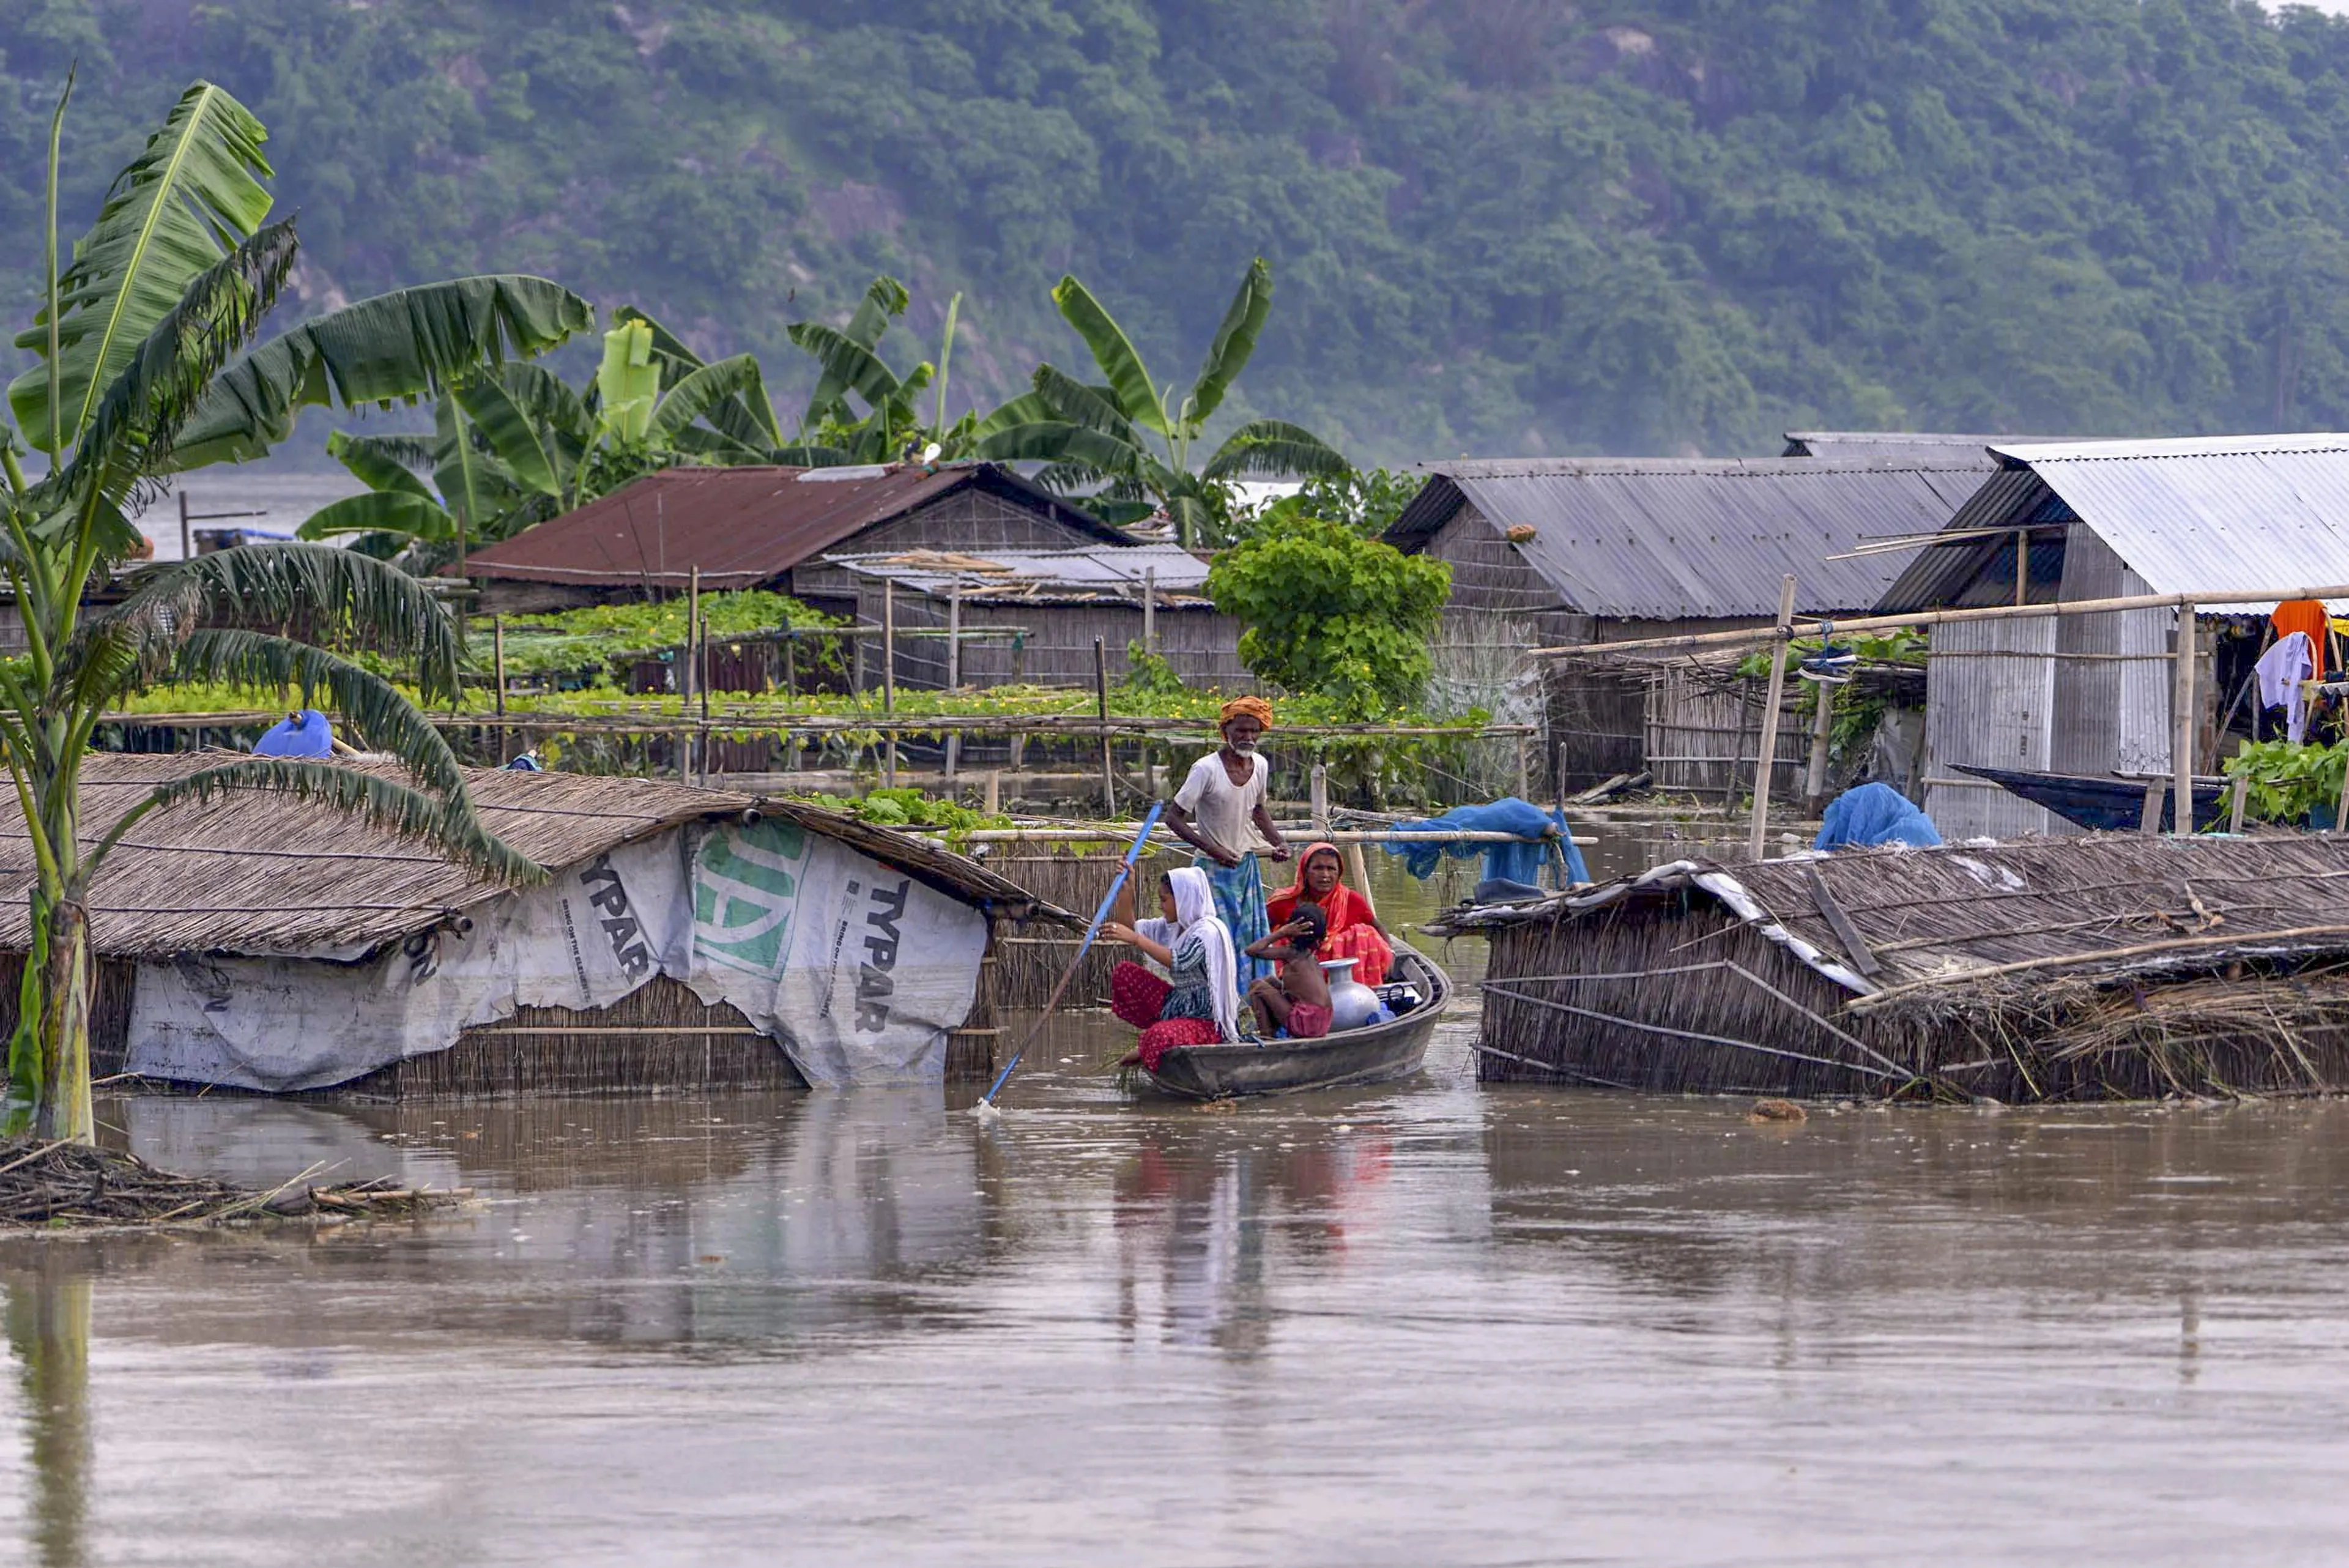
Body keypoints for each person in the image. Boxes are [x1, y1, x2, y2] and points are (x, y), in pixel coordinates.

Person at [1165, 696, 1290, 992]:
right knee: (1215, 940)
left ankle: (1249, 1001)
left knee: (1248, 938)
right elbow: (1173, 818)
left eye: (1254, 731)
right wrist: (1214, 849)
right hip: (1210, 871)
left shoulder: (1260, 765)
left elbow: (1258, 811)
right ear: (1226, 732)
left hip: (1245, 869)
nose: (1248, 737)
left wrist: (1279, 842)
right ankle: (1214, 1003)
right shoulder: (1205, 769)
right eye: (1241, 731)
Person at [1104, 867, 1248, 1071]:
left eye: (1164, 900)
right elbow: (1129, 927)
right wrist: (1126, 890)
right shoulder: (1176, 926)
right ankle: (1164, 1031)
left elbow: (1179, 961)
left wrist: (1137, 939)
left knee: (1157, 1036)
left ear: (1183, 899)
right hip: (1179, 1006)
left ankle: (1153, 1042)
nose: (1161, 907)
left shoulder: (1208, 931)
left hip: (1206, 1021)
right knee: (1124, 973)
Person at [1266, 841, 1394, 988]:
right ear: (1305, 871)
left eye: (1331, 869)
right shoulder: (1283, 902)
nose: (1325, 875)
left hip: (1344, 977)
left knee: (1364, 933)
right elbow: (1260, 934)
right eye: (1318, 868)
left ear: (1339, 873)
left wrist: (1390, 955)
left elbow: (1377, 927)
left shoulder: (1351, 900)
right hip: (1297, 974)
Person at [1245, 904, 1334, 1039]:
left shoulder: (1292, 953)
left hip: (1307, 1024)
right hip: (1323, 1021)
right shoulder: (1311, 955)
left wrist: (1281, 932)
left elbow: (1252, 950)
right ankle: (1272, 1031)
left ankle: (1266, 1037)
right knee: (1270, 981)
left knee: (1257, 986)